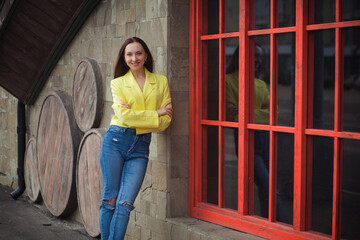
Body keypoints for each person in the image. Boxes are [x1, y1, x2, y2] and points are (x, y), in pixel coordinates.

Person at [99, 37, 173, 240]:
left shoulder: (160, 81)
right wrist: (155, 113)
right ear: (124, 58)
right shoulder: (118, 83)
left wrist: (142, 117)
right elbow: (123, 117)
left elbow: (167, 120)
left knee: (125, 205)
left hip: (141, 146)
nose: (134, 58)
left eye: (138, 53)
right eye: (129, 54)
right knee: (110, 201)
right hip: (115, 142)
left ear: (146, 55)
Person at [226, 44, 289, 223]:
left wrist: (245, 112)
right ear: (241, 57)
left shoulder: (261, 84)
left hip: (265, 139)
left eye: (259, 57)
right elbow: (232, 115)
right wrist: (258, 113)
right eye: (254, 56)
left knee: (266, 187)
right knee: (268, 185)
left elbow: (273, 115)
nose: (258, 60)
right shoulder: (228, 81)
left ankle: (269, 225)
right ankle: (283, 226)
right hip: (246, 141)